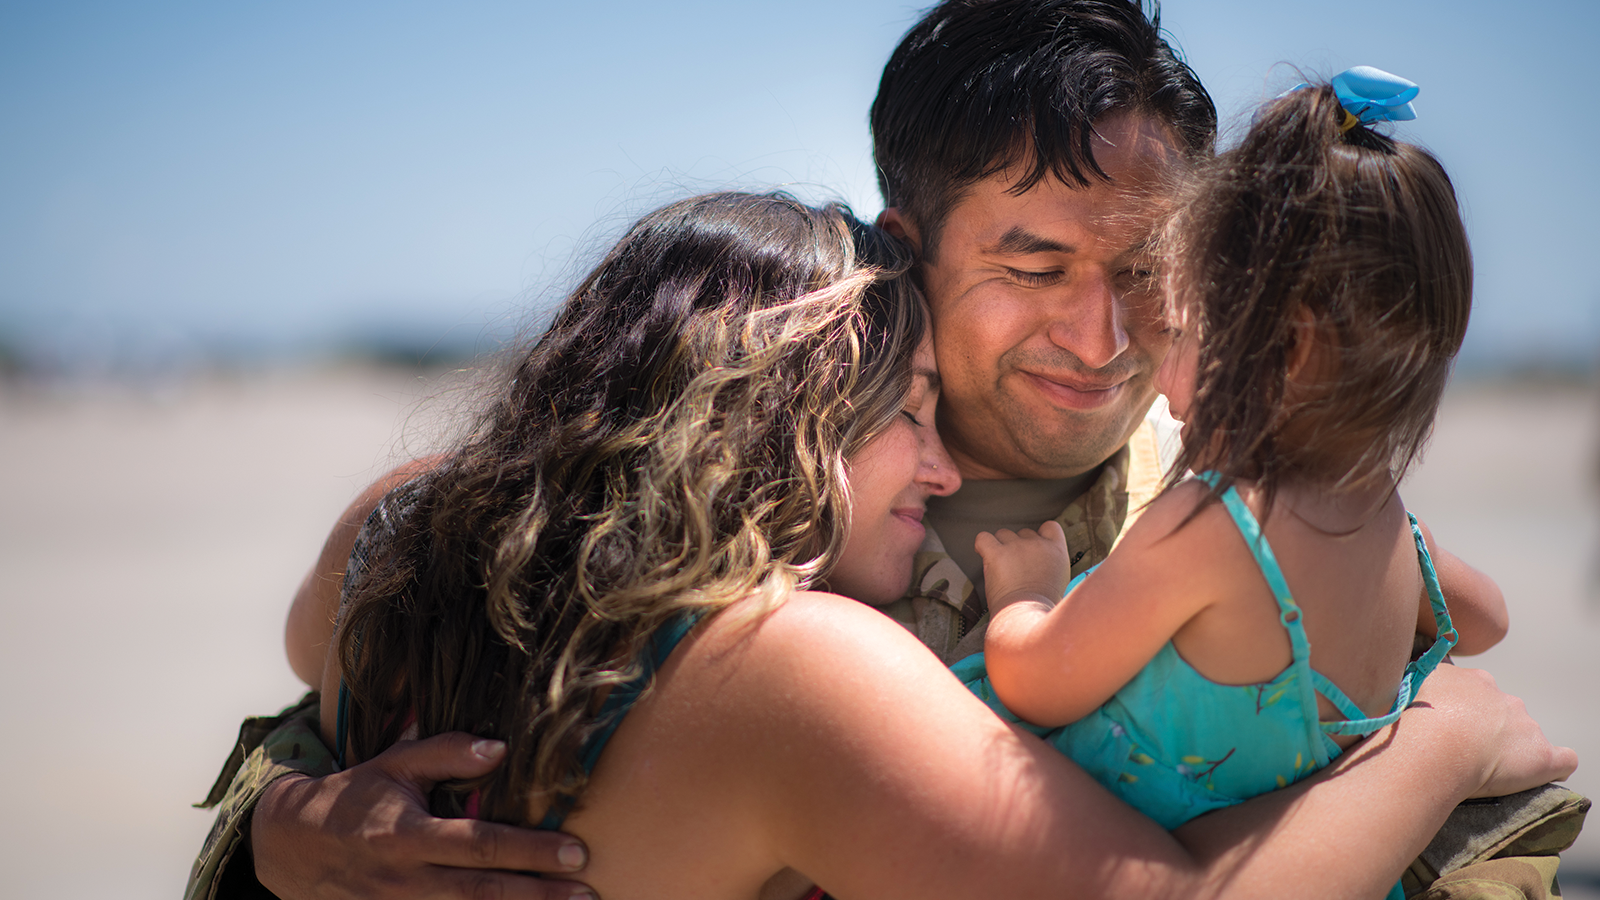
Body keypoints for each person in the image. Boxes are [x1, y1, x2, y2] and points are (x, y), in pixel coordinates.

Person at [186, 3, 1582, 898]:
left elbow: (1470, 828)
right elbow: (378, 716)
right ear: (908, 253)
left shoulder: (1222, 515)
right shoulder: (703, 537)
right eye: (1032, 264)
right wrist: (283, 834)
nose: (1101, 334)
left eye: (1150, 269)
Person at [958, 67, 1508, 834]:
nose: (1156, 364)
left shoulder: (1210, 527)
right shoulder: (1386, 516)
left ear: (1293, 349)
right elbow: (1486, 621)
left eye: (1183, 331)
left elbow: (1036, 683)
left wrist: (1027, 595)